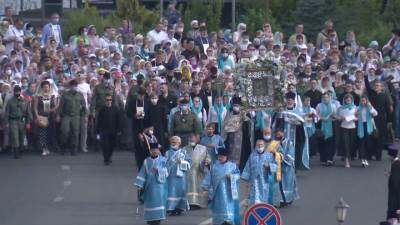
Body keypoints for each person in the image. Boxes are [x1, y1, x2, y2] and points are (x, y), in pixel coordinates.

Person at [201, 147, 240, 225]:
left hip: (229, 192)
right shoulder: (214, 166)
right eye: (219, 156)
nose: (220, 158)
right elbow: (209, 176)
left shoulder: (232, 166)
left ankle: (228, 221)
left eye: (222, 156)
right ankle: (219, 222)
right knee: (218, 209)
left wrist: (231, 176)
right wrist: (205, 186)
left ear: (226, 157)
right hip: (217, 192)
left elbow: (238, 175)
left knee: (228, 209)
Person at [135, 142, 168, 225]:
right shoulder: (146, 161)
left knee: (159, 203)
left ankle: (158, 219)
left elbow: (167, 172)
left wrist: (159, 170)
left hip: (159, 187)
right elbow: (142, 173)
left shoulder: (163, 160)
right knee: (149, 203)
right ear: (150, 151)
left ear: (158, 150)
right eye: (152, 150)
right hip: (149, 187)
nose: (154, 151)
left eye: (156, 150)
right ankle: (150, 219)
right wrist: (140, 185)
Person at [241, 139, 278, 206]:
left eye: (261, 145)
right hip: (254, 180)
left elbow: (275, 165)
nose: (260, 147)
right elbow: (247, 166)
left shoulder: (269, 156)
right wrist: (246, 177)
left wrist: (269, 166)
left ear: (264, 146)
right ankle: (253, 212)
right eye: (258, 145)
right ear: (256, 146)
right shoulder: (252, 156)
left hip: (264, 180)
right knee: (254, 197)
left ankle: (262, 212)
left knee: (263, 198)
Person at [57, 79, 87, 156]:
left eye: (76, 86)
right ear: (70, 86)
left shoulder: (80, 95)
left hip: (76, 116)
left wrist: (85, 116)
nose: (75, 87)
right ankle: (63, 147)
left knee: (75, 133)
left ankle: (74, 149)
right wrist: (58, 115)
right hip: (66, 115)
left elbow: (84, 106)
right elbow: (60, 106)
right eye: (73, 86)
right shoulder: (65, 94)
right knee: (64, 131)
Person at [165, 136, 191, 216]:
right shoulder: (167, 153)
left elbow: (190, 162)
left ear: (179, 143)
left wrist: (182, 162)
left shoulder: (183, 152)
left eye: (175, 141)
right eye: (172, 141)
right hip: (170, 176)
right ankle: (171, 208)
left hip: (180, 177)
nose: (173, 142)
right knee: (171, 191)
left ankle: (179, 208)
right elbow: (163, 163)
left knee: (180, 191)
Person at [32, 80, 58, 156]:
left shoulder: (52, 95)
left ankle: (48, 148)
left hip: (51, 117)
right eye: (44, 87)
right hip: (42, 116)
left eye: (47, 86)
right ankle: (43, 148)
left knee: (49, 133)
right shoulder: (38, 96)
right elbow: (35, 108)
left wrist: (56, 106)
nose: (46, 88)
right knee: (42, 133)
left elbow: (55, 106)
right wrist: (37, 116)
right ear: (42, 87)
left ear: (50, 87)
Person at [184, 133, 210, 209]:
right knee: (190, 187)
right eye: (190, 138)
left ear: (196, 139)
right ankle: (190, 203)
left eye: (193, 138)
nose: (191, 139)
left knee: (199, 187)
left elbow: (207, 157)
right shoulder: (184, 149)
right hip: (188, 172)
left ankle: (199, 203)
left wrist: (207, 161)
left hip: (199, 171)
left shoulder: (203, 148)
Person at [5, 85, 31, 159]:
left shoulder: (25, 101)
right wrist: (6, 122)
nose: (17, 92)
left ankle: (20, 148)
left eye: (18, 91)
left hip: (22, 121)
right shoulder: (10, 101)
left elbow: (28, 112)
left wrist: (28, 122)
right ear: (14, 92)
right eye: (16, 91)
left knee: (21, 136)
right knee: (15, 135)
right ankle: (16, 151)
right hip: (13, 120)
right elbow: (7, 112)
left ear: (20, 91)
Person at [96, 94, 121, 165]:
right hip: (104, 131)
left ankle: (109, 156)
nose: (109, 101)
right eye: (107, 100)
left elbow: (118, 120)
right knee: (105, 145)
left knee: (112, 145)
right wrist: (97, 132)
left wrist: (119, 130)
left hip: (113, 130)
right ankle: (106, 159)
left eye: (110, 100)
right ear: (105, 101)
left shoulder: (115, 109)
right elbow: (99, 121)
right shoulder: (102, 110)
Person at [357, 95, 378, 167]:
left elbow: (375, 113)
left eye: (364, 101)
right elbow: (354, 115)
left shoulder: (369, 107)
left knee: (367, 142)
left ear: (366, 101)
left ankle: (366, 157)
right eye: (362, 101)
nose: (363, 102)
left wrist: (370, 106)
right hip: (360, 126)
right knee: (361, 143)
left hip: (368, 126)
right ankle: (363, 159)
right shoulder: (358, 108)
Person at [337, 94, 357, 168]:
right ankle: (346, 160)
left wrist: (355, 118)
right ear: (344, 100)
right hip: (344, 127)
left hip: (353, 127)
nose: (348, 101)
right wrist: (341, 118)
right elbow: (337, 116)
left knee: (351, 143)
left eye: (349, 100)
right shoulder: (341, 108)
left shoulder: (355, 107)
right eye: (347, 100)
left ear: (352, 100)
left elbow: (357, 116)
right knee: (346, 144)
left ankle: (350, 157)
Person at [316, 93, 335, 166]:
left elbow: (335, 115)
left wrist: (332, 116)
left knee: (330, 142)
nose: (325, 98)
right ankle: (323, 158)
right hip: (321, 124)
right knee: (322, 142)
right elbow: (316, 114)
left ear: (329, 98)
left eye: (327, 97)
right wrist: (321, 117)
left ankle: (329, 159)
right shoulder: (319, 105)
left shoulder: (333, 105)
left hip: (330, 125)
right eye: (324, 97)